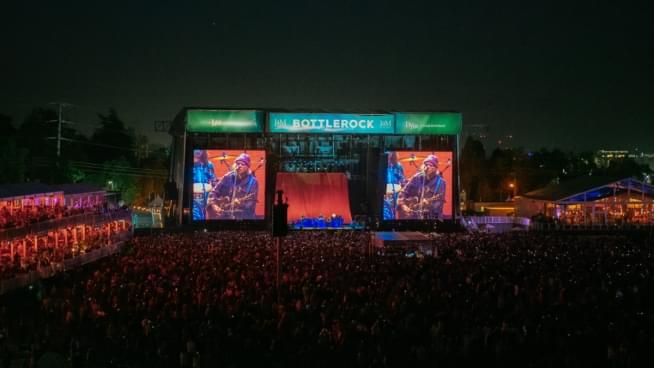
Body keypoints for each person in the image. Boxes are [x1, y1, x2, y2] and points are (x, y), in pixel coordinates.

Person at [206, 153, 259, 220]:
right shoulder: (228, 177)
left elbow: (250, 205)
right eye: (238, 163)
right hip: (225, 215)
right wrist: (214, 205)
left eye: (242, 164)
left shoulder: (253, 182)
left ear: (248, 167)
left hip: (243, 217)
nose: (239, 166)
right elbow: (213, 192)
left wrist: (238, 204)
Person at [397, 155, 446, 220]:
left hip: (431, 217)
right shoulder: (417, 178)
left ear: (435, 168)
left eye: (430, 165)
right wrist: (403, 206)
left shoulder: (441, 182)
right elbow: (403, 192)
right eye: (426, 165)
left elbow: (438, 204)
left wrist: (427, 205)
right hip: (415, 217)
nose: (427, 167)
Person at [192, 150, 216, 220]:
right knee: (196, 216)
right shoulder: (189, 164)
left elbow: (213, 180)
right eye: (196, 149)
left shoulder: (209, 165)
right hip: (194, 196)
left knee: (204, 216)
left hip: (206, 196)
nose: (198, 151)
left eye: (201, 149)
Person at [384, 152, 405, 220]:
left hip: (394, 193)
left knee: (393, 214)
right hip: (385, 193)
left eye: (390, 153)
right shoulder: (383, 165)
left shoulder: (398, 166)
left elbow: (402, 181)